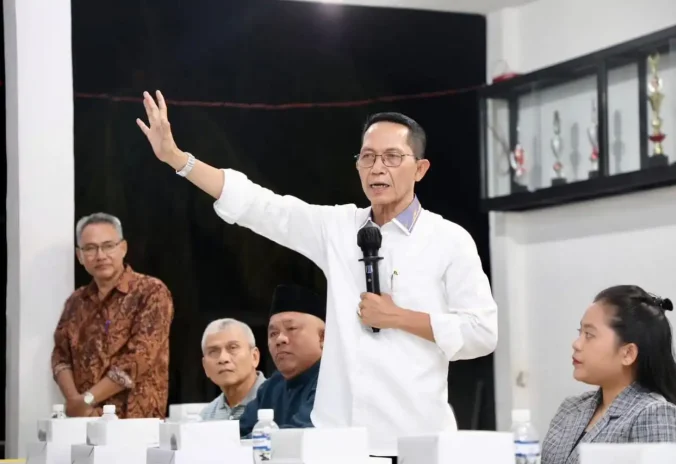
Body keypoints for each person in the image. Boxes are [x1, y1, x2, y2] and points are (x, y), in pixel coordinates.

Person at [136, 91, 497, 455]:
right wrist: (179, 159)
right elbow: (262, 207)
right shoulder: (338, 227)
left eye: (392, 157)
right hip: (338, 440)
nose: (377, 168)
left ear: (420, 169)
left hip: (414, 439)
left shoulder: (448, 239)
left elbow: (482, 332)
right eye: (367, 157)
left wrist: (399, 317)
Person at [542, 285, 676, 464]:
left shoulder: (657, 415)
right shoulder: (571, 408)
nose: (576, 344)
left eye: (589, 335)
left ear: (628, 353)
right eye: (580, 332)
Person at [51, 213, 174, 418]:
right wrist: (75, 402)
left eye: (108, 246)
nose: (100, 255)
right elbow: (60, 357)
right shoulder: (76, 302)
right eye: (90, 248)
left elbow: (139, 357)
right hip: (84, 420)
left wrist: (87, 399)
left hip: (134, 422)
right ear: (80, 256)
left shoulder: (151, 292)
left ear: (123, 248)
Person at [238, 284, 324, 436]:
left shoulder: (331, 382)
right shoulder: (271, 387)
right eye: (273, 333)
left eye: (291, 329)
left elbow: (300, 435)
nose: (280, 339)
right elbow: (237, 433)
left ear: (323, 337)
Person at [199, 318, 266, 421]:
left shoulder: (279, 402)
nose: (223, 359)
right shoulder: (206, 417)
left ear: (254, 357)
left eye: (233, 348)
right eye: (213, 351)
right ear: (205, 366)